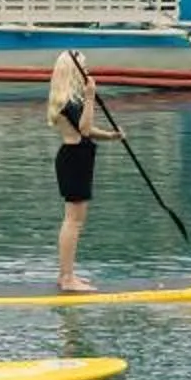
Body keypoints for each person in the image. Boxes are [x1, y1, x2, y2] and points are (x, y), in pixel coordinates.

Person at [46, 53, 125, 292]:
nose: (88, 71)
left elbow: (87, 131)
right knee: (73, 221)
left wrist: (111, 136)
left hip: (78, 157)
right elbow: (85, 127)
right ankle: (67, 278)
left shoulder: (71, 100)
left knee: (75, 220)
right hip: (74, 160)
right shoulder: (68, 101)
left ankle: (67, 274)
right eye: (84, 67)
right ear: (72, 70)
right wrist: (90, 97)